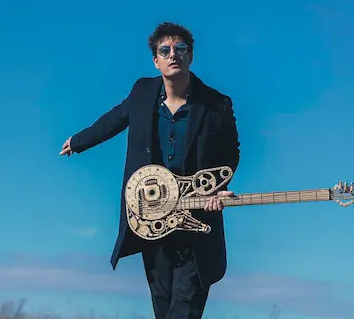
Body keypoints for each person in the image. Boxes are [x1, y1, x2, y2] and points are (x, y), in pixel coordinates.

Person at [59, 22, 240, 319]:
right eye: (165, 50)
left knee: (185, 306)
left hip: (197, 219)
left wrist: (217, 189)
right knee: (163, 306)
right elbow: (114, 120)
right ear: (156, 60)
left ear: (191, 56)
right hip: (152, 219)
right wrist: (78, 141)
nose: (173, 55)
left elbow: (230, 152)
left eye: (180, 48)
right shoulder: (143, 93)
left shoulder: (217, 104)